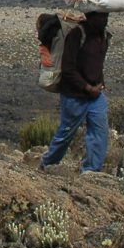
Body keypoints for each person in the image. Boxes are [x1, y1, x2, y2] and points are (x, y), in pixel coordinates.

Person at [40, 10, 111, 172]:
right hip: (74, 95)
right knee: (66, 134)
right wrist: (87, 87)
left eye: (106, 17)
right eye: (101, 17)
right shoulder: (77, 35)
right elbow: (68, 69)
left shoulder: (104, 36)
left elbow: (98, 63)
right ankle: (47, 164)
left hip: (95, 95)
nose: (104, 21)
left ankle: (91, 171)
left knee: (99, 134)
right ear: (90, 17)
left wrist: (99, 84)